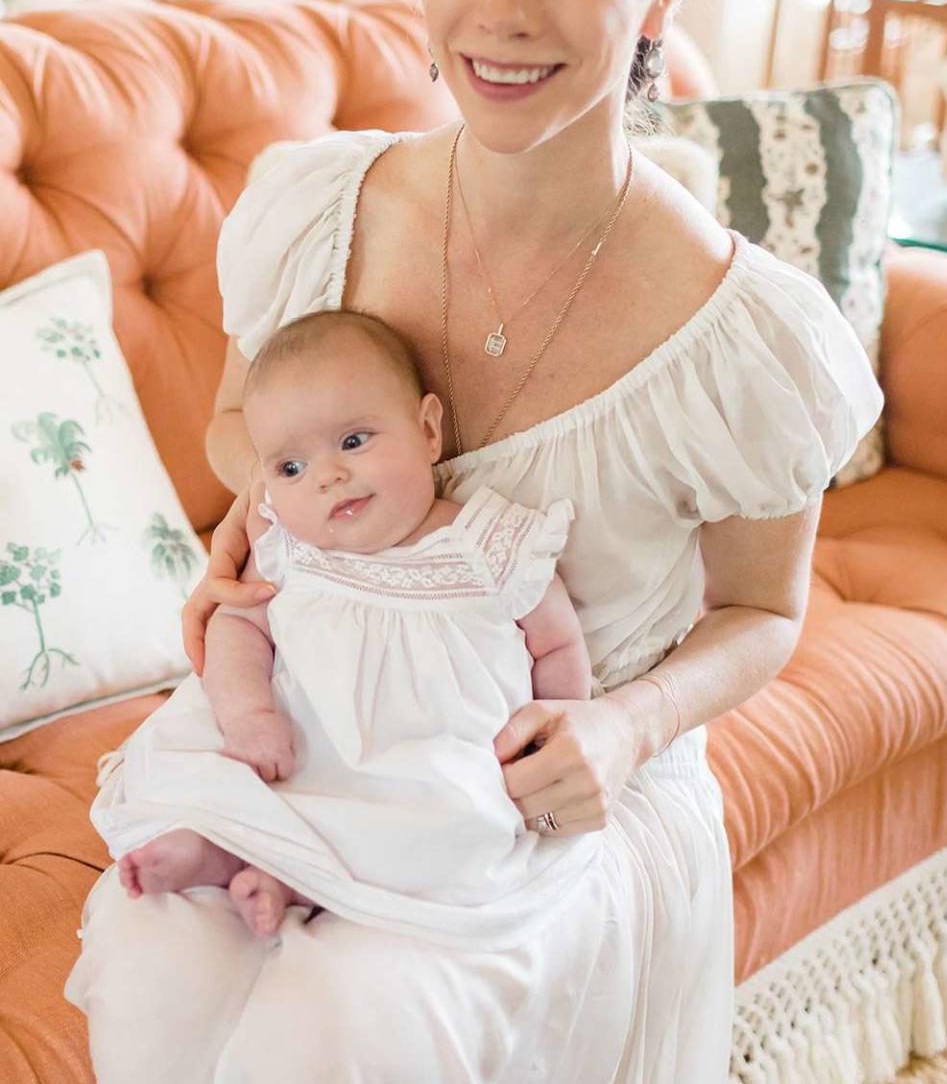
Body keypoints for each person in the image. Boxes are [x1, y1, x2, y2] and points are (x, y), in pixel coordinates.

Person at [65, 0, 883, 1084]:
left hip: (544, 805)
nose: (500, 9)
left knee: (345, 1026)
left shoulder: (752, 341)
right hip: (321, 733)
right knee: (152, 949)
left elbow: (765, 610)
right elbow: (230, 426)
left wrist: (622, 730)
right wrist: (254, 524)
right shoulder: (315, 210)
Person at [93, 308, 594, 942]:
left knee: (465, 819)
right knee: (221, 774)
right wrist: (251, 717)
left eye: (354, 441)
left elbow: (557, 641)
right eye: (291, 469)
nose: (328, 476)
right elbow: (237, 629)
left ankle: (288, 878)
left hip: (433, 763)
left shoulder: (492, 542)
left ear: (428, 430)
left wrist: (559, 734)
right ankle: (219, 847)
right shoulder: (286, 546)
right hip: (297, 741)